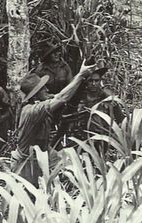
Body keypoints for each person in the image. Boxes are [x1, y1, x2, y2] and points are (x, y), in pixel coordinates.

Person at [11, 59, 96, 187]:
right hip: (26, 162)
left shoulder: (38, 106)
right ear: (35, 96)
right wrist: (80, 75)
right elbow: (61, 98)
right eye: (41, 88)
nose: (46, 89)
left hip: (44, 152)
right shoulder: (32, 111)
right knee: (28, 197)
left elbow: (62, 97)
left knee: (71, 168)